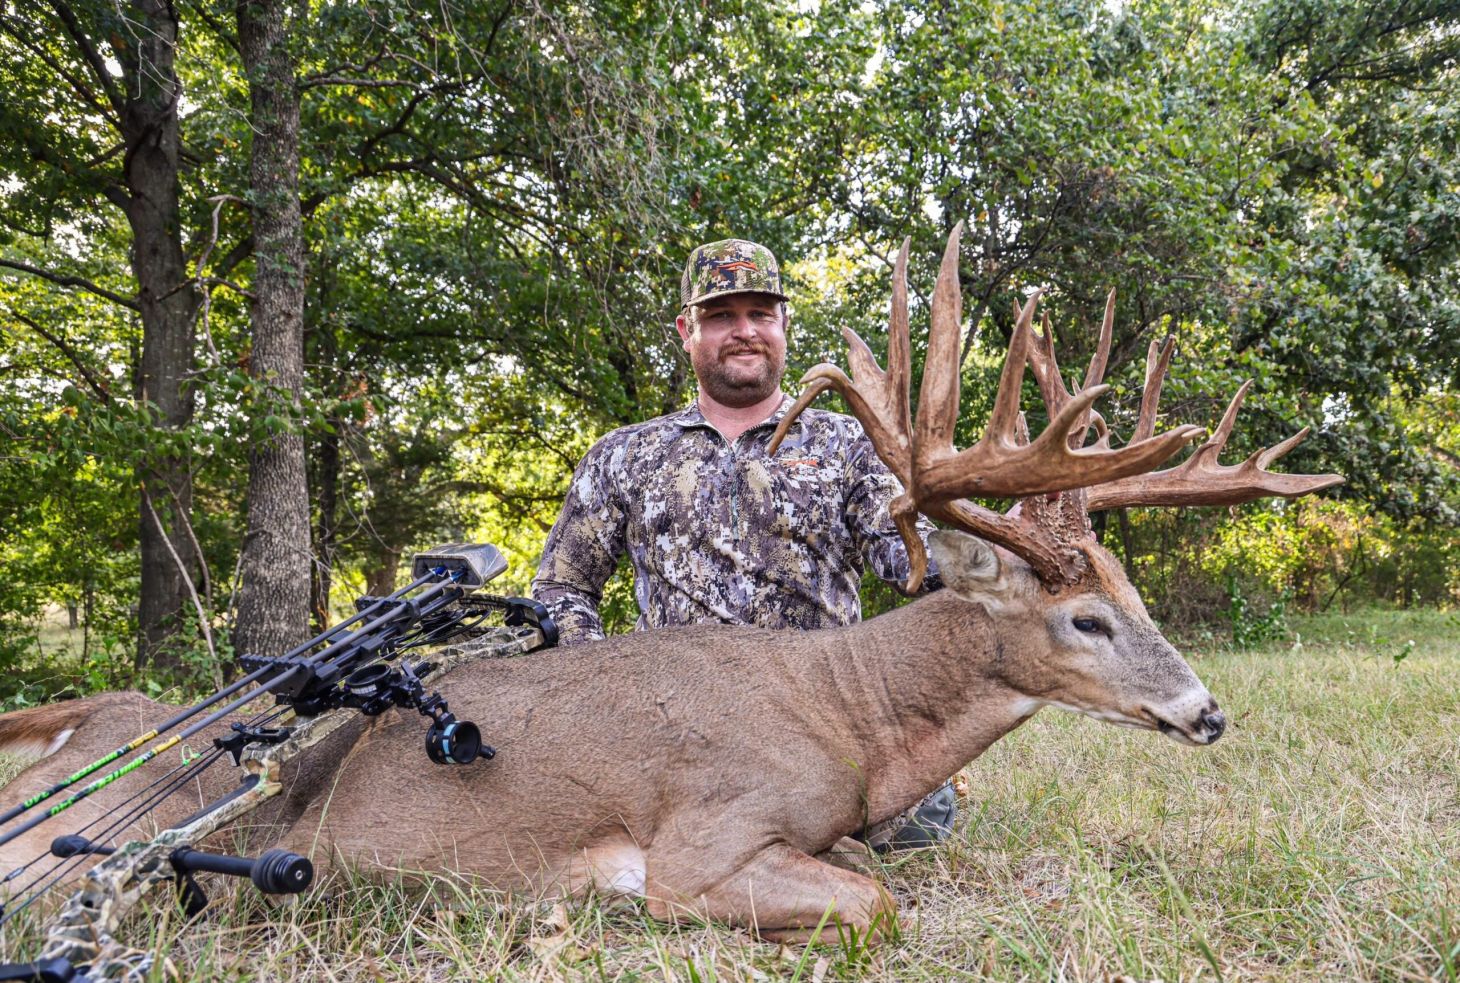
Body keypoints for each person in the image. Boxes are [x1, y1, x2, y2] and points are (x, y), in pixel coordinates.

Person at [531, 238, 955, 851]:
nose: (744, 332)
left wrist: (996, 549)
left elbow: (907, 556)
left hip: (820, 724)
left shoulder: (850, 444)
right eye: (721, 316)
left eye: (760, 314)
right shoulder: (626, 454)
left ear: (784, 324)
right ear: (687, 330)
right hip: (679, 733)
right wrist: (601, 693)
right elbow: (562, 586)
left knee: (920, 823)